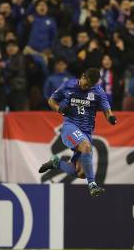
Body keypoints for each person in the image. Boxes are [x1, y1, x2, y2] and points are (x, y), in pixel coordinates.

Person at [38, 68, 117, 197]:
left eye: (90, 86)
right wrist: (59, 109)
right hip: (71, 126)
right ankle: (92, 185)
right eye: (86, 84)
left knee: (81, 173)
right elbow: (51, 100)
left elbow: (107, 111)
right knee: (86, 146)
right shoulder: (68, 85)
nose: (86, 87)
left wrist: (111, 118)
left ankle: (56, 163)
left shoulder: (98, 91)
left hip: (86, 132)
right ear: (82, 76)